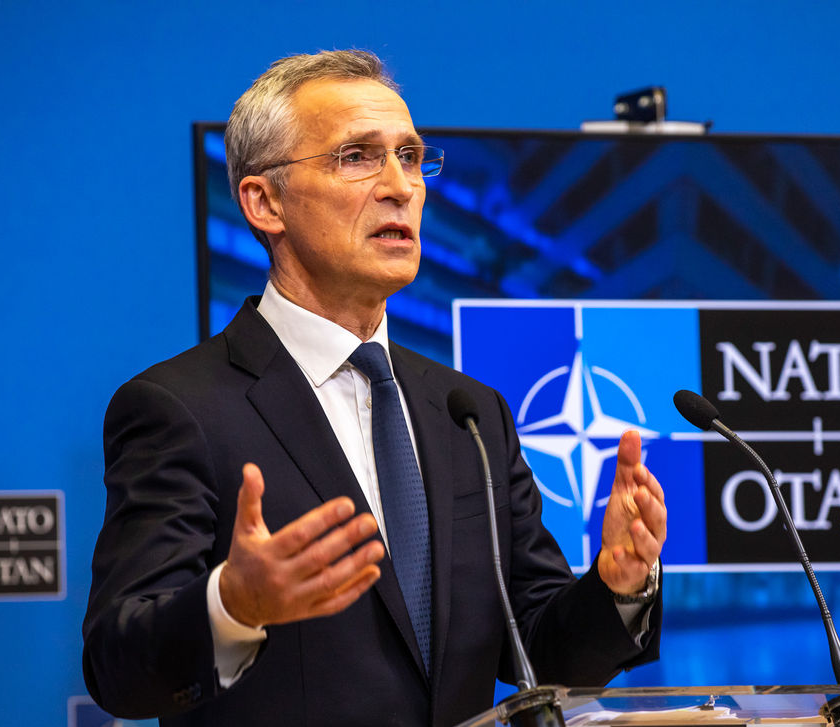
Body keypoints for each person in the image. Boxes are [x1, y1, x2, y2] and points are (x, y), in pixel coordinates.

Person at [82, 49, 668, 727]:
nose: (401, 185)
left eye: (412, 156)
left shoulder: (470, 413)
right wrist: (233, 604)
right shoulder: (179, 408)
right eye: (357, 156)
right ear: (263, 201)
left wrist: (619, 583)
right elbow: (117, 667)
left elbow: (538, 643)